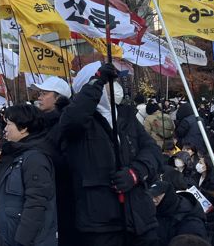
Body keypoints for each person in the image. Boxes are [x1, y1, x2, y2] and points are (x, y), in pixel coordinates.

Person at [59, 62, 160, 246]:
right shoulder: (78, 123)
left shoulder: (126, 116)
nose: (114, 86)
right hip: (101, 225)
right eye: (108, 81)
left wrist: (136, 173)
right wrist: (96, 82)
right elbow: (72, 120)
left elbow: (152, 151)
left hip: (140, 219)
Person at [0, 104, 55, 246]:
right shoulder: (16, 154)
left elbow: (36, 203)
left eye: (9, 124)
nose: (5, 129)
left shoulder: (35, 158)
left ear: (24, 128)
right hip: (7, 237)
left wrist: (22, 240)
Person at [147, 181, 207, 246]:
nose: (153, 199)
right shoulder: (155, 209)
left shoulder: (190, 221)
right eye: (151, 196)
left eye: (157, 196)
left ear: (168, 195)